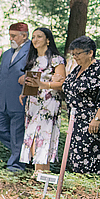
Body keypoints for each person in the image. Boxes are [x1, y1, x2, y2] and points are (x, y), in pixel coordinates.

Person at [61, 36, 100, 175]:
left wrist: (97, 119)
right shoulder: (77, 70)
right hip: (76, 119)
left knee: (92, 155)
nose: (75, 57)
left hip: (94, 120)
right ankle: (78, 180)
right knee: (77, 154)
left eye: (78, 53)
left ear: (90, 53)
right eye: (73, 54)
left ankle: (94, 183)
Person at [17, 27, 65, 174]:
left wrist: (44, 85)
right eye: (33, 37)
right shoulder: (33, 60)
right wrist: (24, 92)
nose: (35, 40)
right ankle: (37, 172)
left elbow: (62, 84)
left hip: (49, 103)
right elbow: (31, 81)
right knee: (32, 134)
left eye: (39, 37)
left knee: (44, 134)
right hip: (33, 102)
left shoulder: (56, 59)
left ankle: (44, 173)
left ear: (48, 40)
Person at [0, 22, 31, 172]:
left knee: (17, 133)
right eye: (9, 35)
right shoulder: (6, 54)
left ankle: (16, 165)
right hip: (4, 102)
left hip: (20, 100)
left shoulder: (32, 51)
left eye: (14, 36)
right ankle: (25, 152)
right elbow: (0, 77)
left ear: (24, 36)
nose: (10, 39)